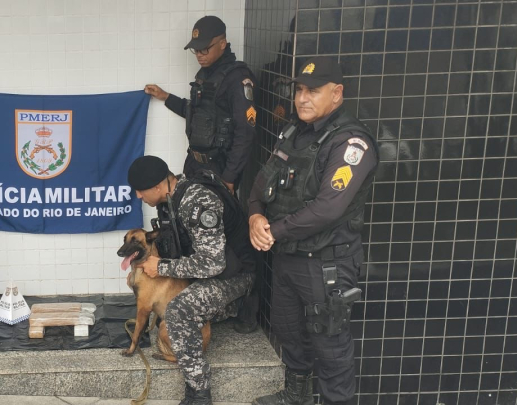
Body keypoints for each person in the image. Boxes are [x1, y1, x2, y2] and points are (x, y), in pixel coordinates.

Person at [248, 56, 378, 405]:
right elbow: (260, 186)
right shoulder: (293, 133)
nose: (302, 98)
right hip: (289, 257)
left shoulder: (350, 143)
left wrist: (272, 231)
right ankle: (298, 396)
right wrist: (255, 217)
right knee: (289, 330)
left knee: (330, 342)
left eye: (313, 91)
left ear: (337, 93)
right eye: (299, 90)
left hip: (327, 262)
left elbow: (327, 209)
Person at [127, 156, 255, 405]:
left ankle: (199, 393)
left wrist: (161, 267)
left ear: (158, 186)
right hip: (206, 274)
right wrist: (143, 271)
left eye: (141, 191)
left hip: (236, 276)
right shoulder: (169, 201)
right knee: (164, 303)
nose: (138, 196)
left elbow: (213, 262)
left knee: (179, 309)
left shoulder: (197, 201)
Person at [143, 15, 256, 196]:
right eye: (196, 50)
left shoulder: (237, 78)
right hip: (195, 164)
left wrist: (229, 177)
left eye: (204, 49)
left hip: (220, 169)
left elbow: (245, 132)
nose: (199, 55)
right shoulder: (205, 74)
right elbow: (196, 113)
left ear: (222, 44)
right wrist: (166, 97)